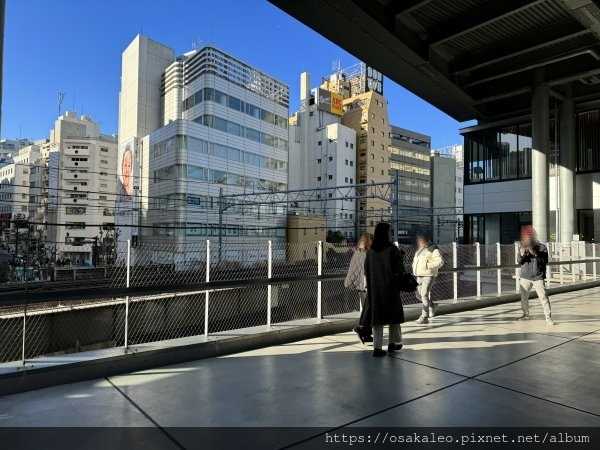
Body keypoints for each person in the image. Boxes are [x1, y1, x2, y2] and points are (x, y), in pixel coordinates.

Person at [364, 223, 405, 357]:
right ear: (385, 233)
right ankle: (393, 343)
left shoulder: (370, 251)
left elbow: (366, 270)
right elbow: (399, 269)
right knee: (394, 317)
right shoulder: (392, 249)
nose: (390, 233)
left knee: (378, 318)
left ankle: (377, 347)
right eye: (389, 231)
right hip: (390, 288)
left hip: (375, 289)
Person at [517, 226, 555, 325]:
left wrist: (536, 255)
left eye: (529, 236)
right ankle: (526, 314)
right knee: (524, 297)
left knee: (543, 297)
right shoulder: (522, 246)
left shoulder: (542, 247)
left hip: (538, 276)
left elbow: (545, 261)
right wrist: (521, 255)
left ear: (533, 236)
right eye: (525, 237)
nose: (527, 238)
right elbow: (519, 261)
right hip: (525, 276)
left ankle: (548, 317)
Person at [345, 233, 374, 343]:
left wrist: (349, 282)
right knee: (370, 310)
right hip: (369, 286)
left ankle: (366, 334)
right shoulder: (370, 254)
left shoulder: (357, 253)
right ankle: (362, 329)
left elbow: (352, 270)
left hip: (360, 286)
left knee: (366, 309)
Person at [412, 233, 444, 325]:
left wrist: (428, 266)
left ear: (425, 241)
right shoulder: (419, 250)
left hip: (428, 275)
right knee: (418, 295)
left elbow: (440, 262)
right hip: (419, 275)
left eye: (421, 241)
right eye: (419, 241)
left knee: (424, 295)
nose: (419, 242)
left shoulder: (433, 249)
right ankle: (432, 305)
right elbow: (416, 262)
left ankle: (424, 317)